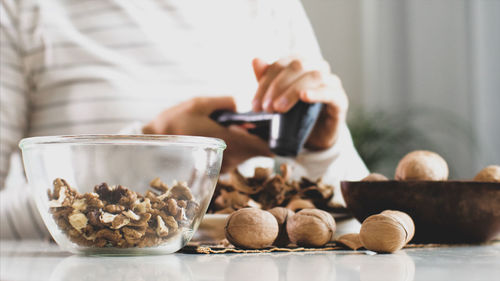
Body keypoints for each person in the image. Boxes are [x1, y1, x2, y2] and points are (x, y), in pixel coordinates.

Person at [0, 0, 368, 239]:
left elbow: (352, 225)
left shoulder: (269, 7)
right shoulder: (22, 10)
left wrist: (321, 150)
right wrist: (154, 145)